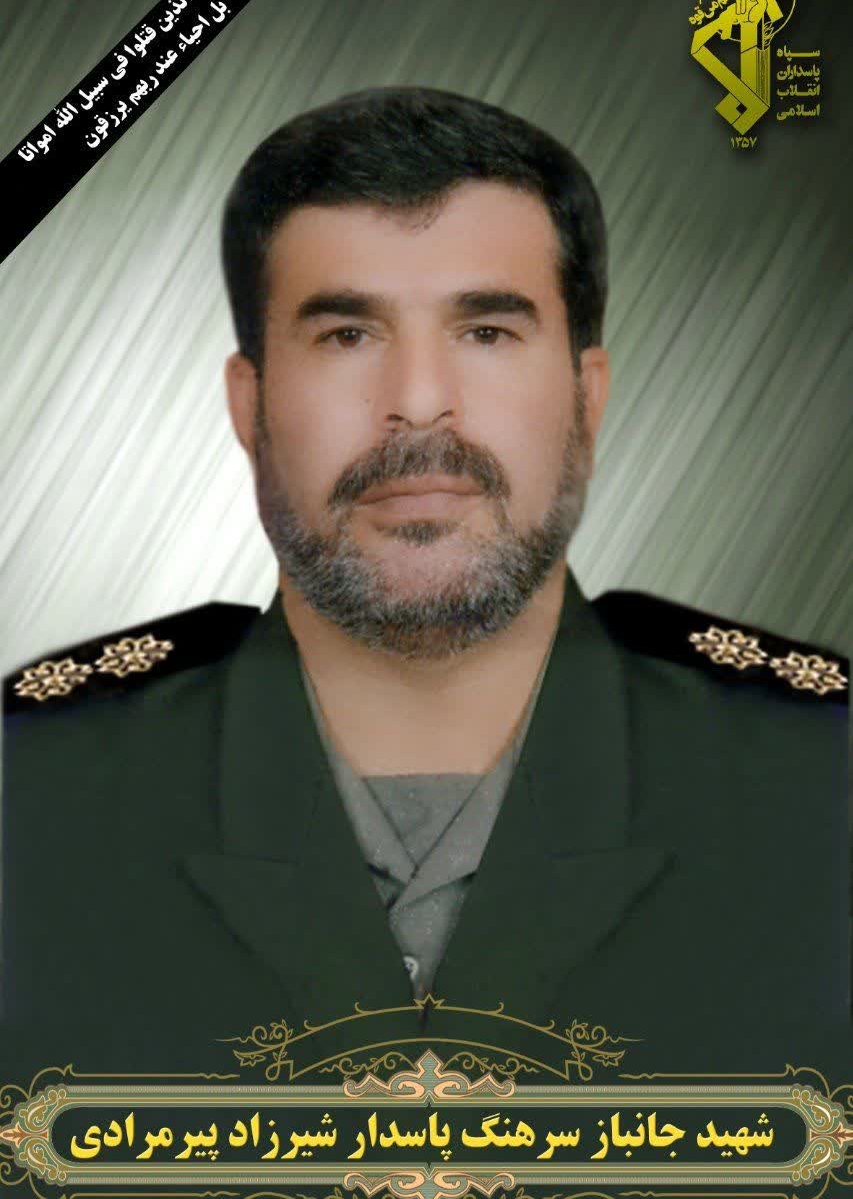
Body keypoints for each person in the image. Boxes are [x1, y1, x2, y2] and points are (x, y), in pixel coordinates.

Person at [2, 88, 848, 1074]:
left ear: (586, 400)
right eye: (345, 335)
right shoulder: (30, 792)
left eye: (485, 331)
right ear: (248, 404)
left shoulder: (822, 779)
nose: (415, 402)